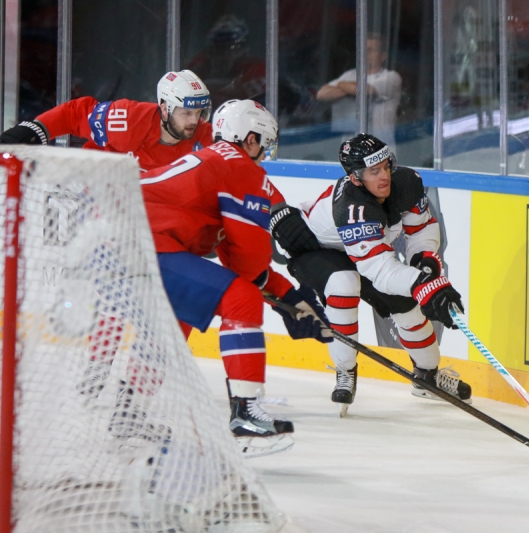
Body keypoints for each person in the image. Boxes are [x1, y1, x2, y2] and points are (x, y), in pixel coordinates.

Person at [138, 99, 332, 453]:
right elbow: (248, 263)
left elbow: (238, 258)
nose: (264, 156)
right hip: (145, 241)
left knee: (179, 317)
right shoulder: (241, 167)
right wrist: (288, 302)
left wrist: (289, 298)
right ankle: (246, 414)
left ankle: (129, 412)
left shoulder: (217, 161)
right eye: (264, 146)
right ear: (251, 139)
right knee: (240, 299)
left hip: (127, 237)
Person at [269, 133, 471, 413]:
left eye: (386, 166)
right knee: (344, 283)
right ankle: (345, 369)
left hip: (366, 252)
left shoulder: (407, 182)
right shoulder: (352, 207)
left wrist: (424, 263)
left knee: (407, 306)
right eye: (374, 171)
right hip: (317, 249)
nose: (384, 176)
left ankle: (428, 375)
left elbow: (422, 228)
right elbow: (380, 271)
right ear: (355, 178)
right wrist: (423, 284)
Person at [0, 69, 214, 171]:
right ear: (165, 109)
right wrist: (36, 129)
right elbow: (74, 115)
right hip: (99, 204)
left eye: (199, 113)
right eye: (187, 113)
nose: (194, 121)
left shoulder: (207, 138)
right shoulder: (127, 119)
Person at [316, 34, 402, 150]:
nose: (365, 53)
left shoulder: (391, 77)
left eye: (370, 50)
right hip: (351, 150)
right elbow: (321, 94)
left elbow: (362, 91)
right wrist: (348, 89)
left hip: (379, 150)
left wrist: (341, 85)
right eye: (363, 50)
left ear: (383, 56)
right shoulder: (350, 74)